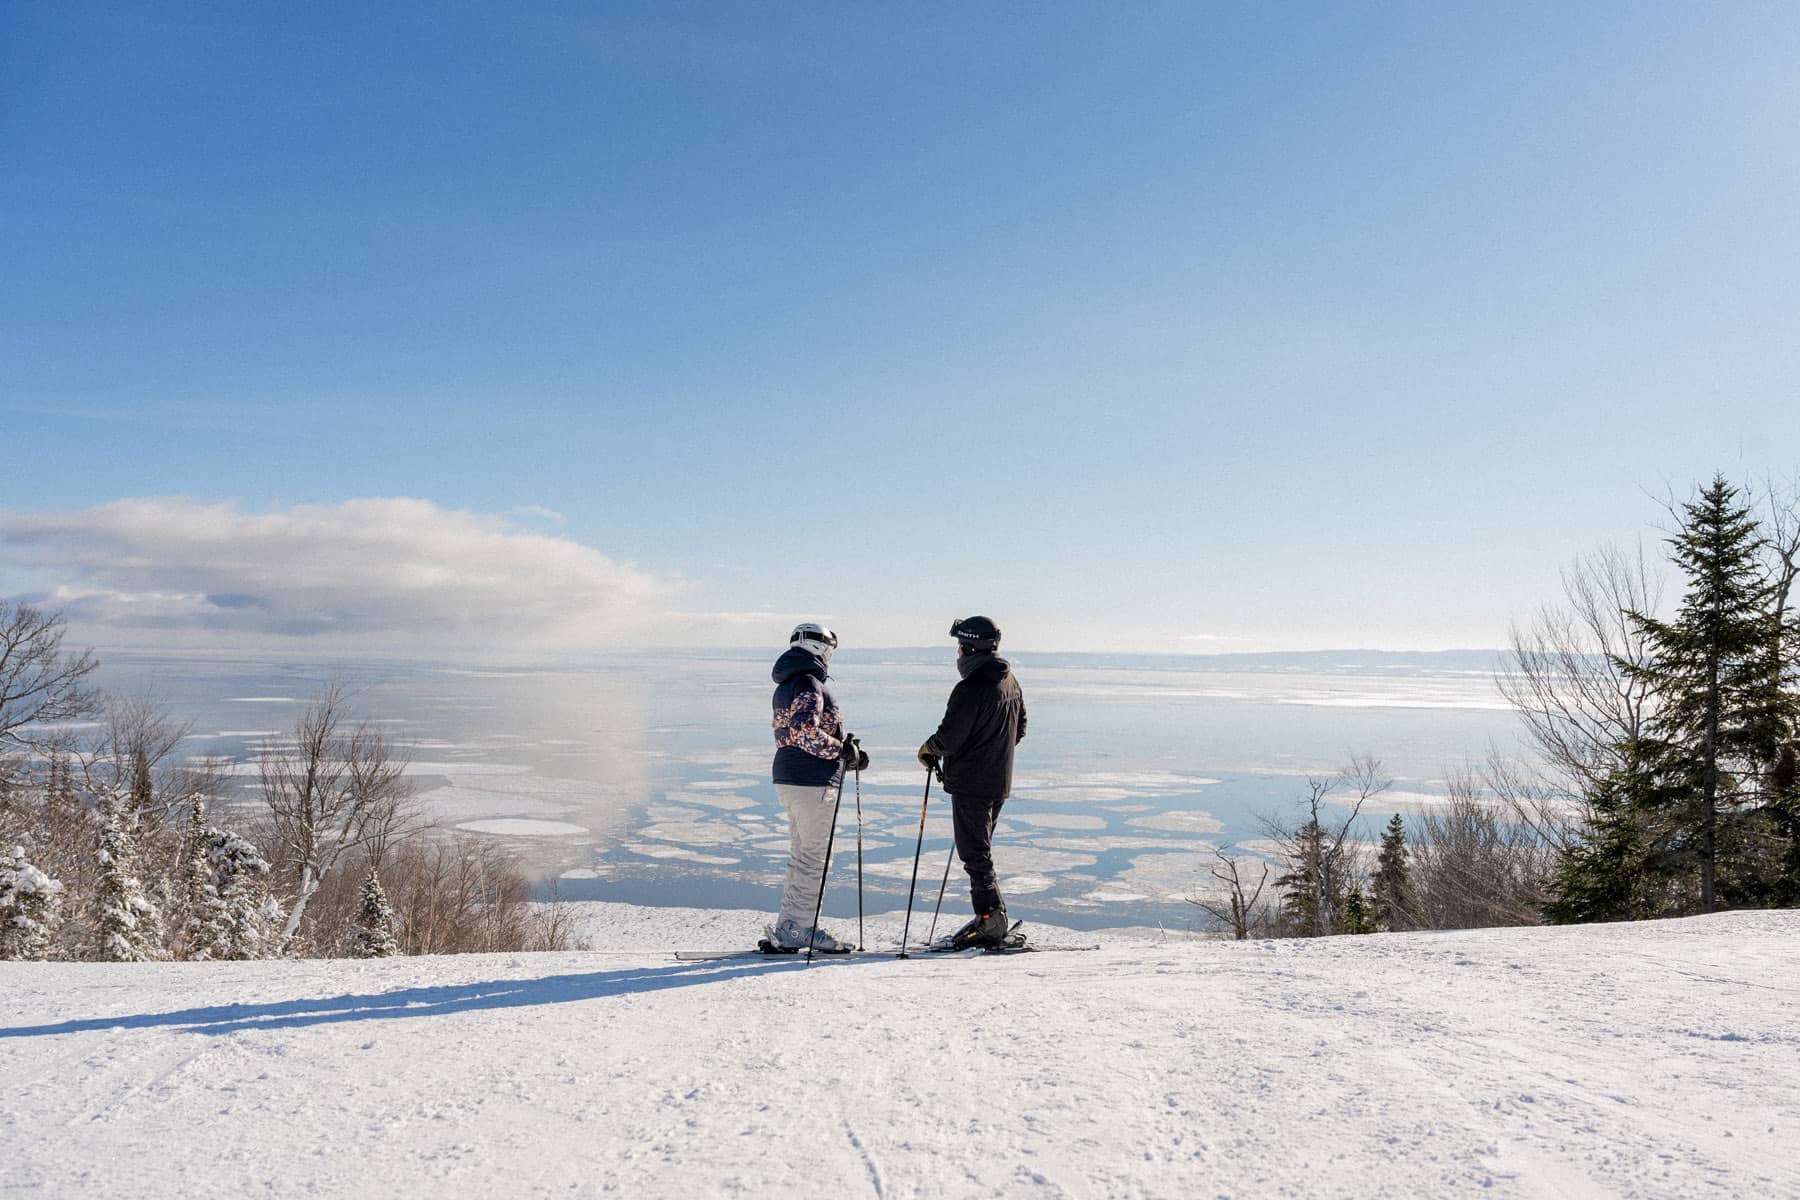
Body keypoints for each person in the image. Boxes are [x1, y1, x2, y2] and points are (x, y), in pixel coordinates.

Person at [917, 615, 1027, 949]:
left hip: (971, 784)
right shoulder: (1010, 682)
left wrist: (928, 749)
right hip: (997, 781)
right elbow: (1019, 730)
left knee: (975, 854)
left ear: (969, 647)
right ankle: (992, 915)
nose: (958, 653)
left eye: (960, 646)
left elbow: (950, 737)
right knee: (981, 851)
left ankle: (990, 919)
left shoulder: (970, 688)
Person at [768, 623, 868, 952]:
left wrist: (844, 752)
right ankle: (799, 927)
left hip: (790, 778)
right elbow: (805, 732)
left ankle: (790, 924)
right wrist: (841, 751)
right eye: (829, 649)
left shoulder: (788, 683)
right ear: (819, 648)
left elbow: (796, 733)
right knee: (814, 858)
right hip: (812, 782)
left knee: (802, 855)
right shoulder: (809, 682)